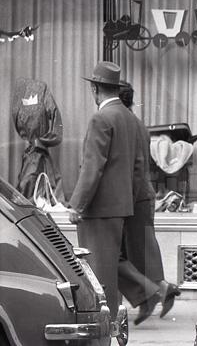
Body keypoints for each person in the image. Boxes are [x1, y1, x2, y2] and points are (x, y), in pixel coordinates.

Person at [67, 61, 144, 320]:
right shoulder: (129, 118)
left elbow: (92, 166)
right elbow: (138, 168)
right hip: (120, 207)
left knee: (97, 273)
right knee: (109, 271)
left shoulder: (101, 118)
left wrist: (77, 205)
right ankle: (113, 321)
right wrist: (127, 201)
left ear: (95, 89)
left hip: (98, 208)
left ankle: (104, 324)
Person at [117, 82, 181, 325]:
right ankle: (160, 290)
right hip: (141, 194)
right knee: (140, 250)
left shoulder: (124, 123)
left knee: (131, 251)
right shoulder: (137, 123)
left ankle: (155, 292)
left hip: (133, 197)